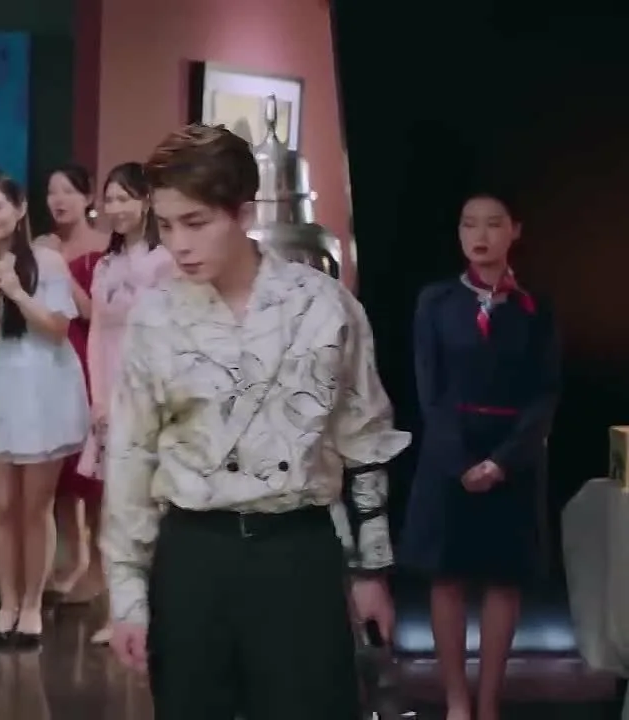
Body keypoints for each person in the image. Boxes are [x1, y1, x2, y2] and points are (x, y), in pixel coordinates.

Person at [101, 124, 410, 719]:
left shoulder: (323, 306)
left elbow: (365, 439)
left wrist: (371, 572)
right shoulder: (154, 318)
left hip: (297, 551)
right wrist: (128, 595)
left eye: (196, 223)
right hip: (193, 555)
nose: (179, 245)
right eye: (166, 226)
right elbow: (131, 458)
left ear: (242, 212)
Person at [398, 190, 560, 720]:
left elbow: (545, 394)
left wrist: (503, 461)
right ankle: (456, 702)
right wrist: (461, 461)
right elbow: (429, 388)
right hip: (449, 454)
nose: (480, 235)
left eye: (493, 224)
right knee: (446, 578)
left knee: (503, 580)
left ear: (516, 230)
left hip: (513, 457)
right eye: (469, 224)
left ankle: (489, 704)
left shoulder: (537, 307)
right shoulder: (436, 300)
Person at [0, 169, 90, 648]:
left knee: (35, 507)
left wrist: (16, 289)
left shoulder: (47, 262)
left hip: (43, 386)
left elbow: (56, 328)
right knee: (1, 504)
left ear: (19, 209)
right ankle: (7, 603)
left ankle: (33, 604)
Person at [76, 162, 174, 644]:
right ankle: (123, 613)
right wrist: (98, 399)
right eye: (109, 199)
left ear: (147, 201)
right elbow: (97, 332)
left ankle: (163, 609)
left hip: (155, 390)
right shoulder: (105, 265)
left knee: (157, 502)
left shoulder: (165, 261)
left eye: (125, 198)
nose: (115, 208)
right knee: (117, 506)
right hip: (111, 389)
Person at [34, 164, 109, 605]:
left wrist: (59, 267)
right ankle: (66, 561)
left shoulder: (103, 249)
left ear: (88, 197)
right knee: (58, 473)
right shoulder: (42, 245)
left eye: (68, 191)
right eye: (52, 191)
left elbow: (95, 313)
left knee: (92, 474)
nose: (59, 200)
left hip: (91, 359)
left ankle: (98, 567)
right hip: (51, 362)